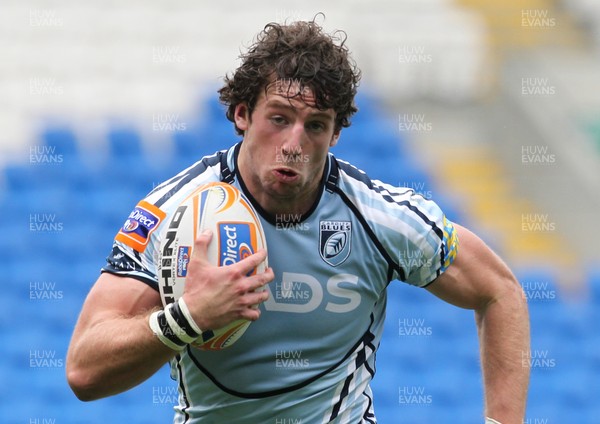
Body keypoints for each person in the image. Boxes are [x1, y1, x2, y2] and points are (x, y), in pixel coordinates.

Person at [66, 18, 530, 424]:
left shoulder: (378, 216)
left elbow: (499, 290)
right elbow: (84, 371)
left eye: (315, 125)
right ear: (242, 114)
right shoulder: (174, 214)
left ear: (336, 134)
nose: (294, 143)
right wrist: (189, 317)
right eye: (279, 118)